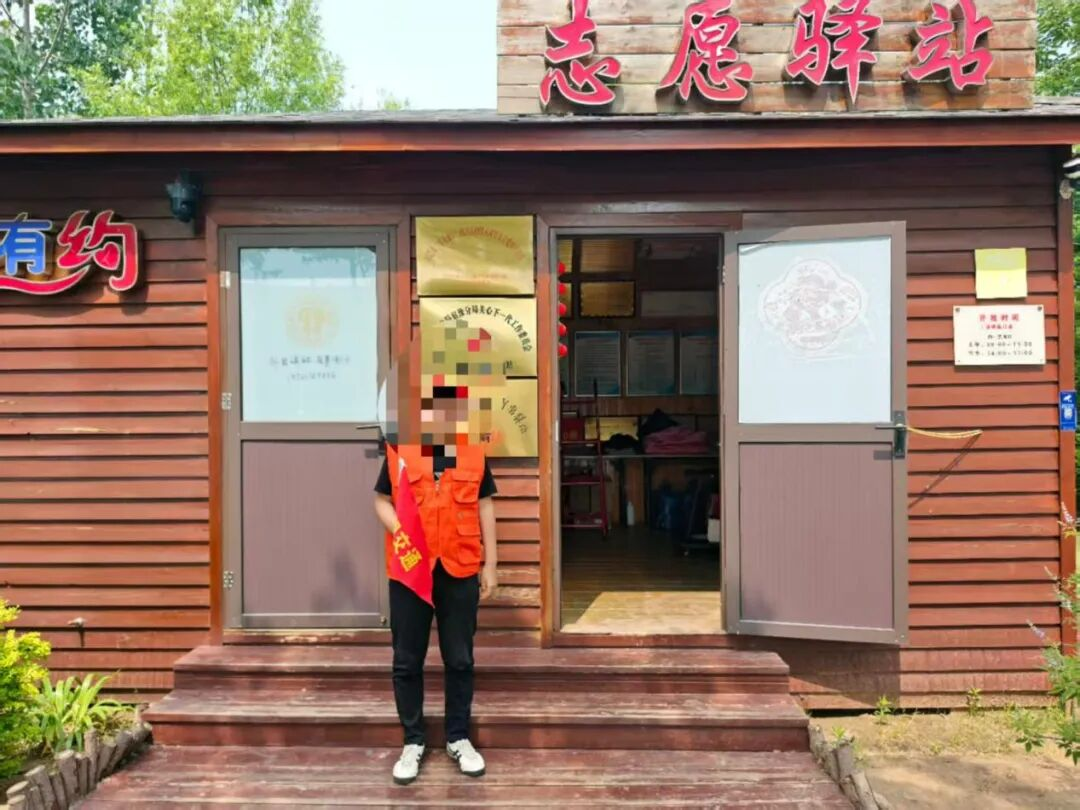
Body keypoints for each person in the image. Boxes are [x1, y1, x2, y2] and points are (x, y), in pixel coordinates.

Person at [372, 385, 498, 786]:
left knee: (459, 658)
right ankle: (413, 741)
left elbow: (485, 506)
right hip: (411, 569)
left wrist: (491, 564)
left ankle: (458, 737)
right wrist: (400, 532)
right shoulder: (402, 453)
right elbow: (380, 500)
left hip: (459, 567)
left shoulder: (474, 454)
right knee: (407, 660)